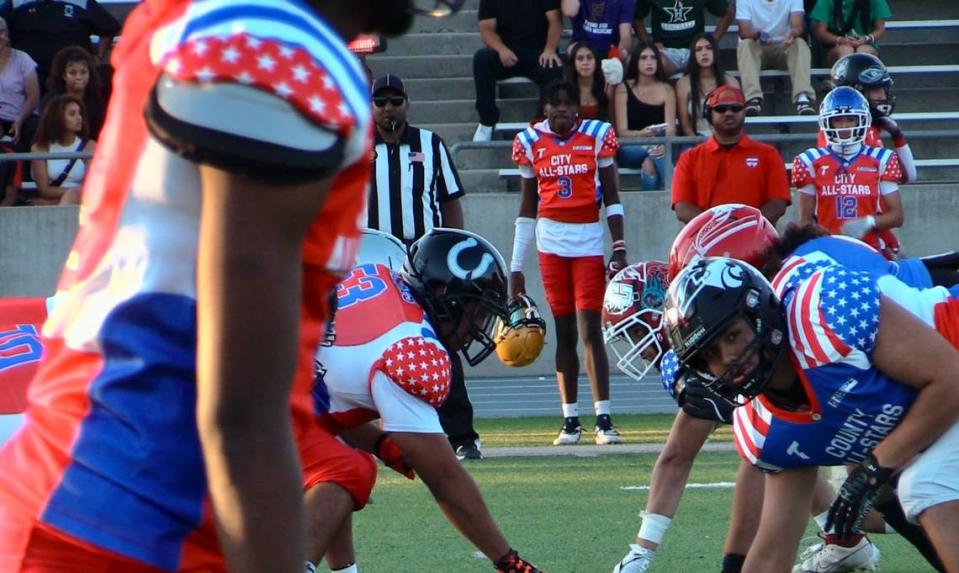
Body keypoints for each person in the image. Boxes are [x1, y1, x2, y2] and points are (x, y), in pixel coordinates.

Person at [0, 1, 459, 571]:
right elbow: (238, 403)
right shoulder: (282, 56)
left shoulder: (201, 20)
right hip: (135, 521)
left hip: (96, 495)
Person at [663, 250, 959, 573]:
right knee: (904, 484)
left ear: (759, 310)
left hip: (950, 359)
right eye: (711, 353)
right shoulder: (764, 426)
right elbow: (773, 550)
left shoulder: (823, 314)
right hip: (939, 406)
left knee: (923, 483)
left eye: (732, 335)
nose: (729, 357)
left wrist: (875, 467)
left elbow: (950, 380)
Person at [302, 228, 544, 573]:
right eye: (476, 311)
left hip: (253, 383)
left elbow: (331, 402)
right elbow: (445, 480)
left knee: (341, 462)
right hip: (256, 403)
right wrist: (509, 561)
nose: (478, 325)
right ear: (442, 292)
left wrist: (382, 445)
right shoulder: (412, 347)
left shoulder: (380, 277)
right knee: (347, 469)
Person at [366, 73, 483, 461]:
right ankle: (373, 437)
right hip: (372, 262)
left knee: (442, 341)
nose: (388, 108)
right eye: (381, 102)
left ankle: (461, 434)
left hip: (423, 262)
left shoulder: (430, 144)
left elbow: (450, 201)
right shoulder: (354, 147)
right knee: (368, 346)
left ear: (407, 103)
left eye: (395, 101)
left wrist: (452, 252)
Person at [509, 79, 626, 445]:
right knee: (564, 333)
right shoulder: (529, 142)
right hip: (550, 244)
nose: (561, 109)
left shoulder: (595, 135)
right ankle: (570, 419)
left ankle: (603, 418)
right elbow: (527, 210)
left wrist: (619, 245)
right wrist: (515, 267)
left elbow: (612, 197)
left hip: (589, 240)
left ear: (579, 107)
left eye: (567, 103)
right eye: (553, 104)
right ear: (544, 109)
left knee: (592, 331)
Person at [792, 86, 903, 259]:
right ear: (827, 122)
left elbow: (897, 217)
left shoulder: (881, 158)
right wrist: (819, 234)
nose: (844, 126)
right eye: (838, 120)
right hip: (827, 253)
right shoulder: (810, 161)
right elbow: (805, 221)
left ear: (862, 120)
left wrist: (868, 222)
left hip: (870, 251)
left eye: (851, 119)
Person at [670, 85, 790, 225]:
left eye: (735, 108)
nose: (728, 113)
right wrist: (721, 229)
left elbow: (778, 204)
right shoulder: (689, 158)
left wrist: (743, 227)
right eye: (720, 109)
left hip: (758, 241)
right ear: (709, 114)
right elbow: (682, 208)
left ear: (744, 112)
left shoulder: (768, 154)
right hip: (705, 244)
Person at [472, 0, 564, 142]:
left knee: (553, 66)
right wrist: (501, 49)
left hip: (539, 53)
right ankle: (487, 121)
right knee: (482, 59)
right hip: (507, 53)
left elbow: (556, 22)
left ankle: (542, 125)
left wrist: (550, 49)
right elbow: (486, 29)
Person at [0, 0, 119, 93]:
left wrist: (98, 56)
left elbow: (109, 29)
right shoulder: (16, 3)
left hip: (70, 75)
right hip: (27, 76)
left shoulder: (82, 2)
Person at [612, 42, 676, 190]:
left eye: (653, 58)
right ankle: (677, 194)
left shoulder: (667, 89)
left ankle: (654, 208)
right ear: (636, 61)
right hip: (629, 148)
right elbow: (621, 131)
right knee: (655, 151)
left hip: (659, 145)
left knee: (650, 164)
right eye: (644, 58)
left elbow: (670, 130)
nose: (649, 62)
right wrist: (641, 134)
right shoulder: (623, 88)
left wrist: (661, 142)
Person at [735, 0, 816, 116]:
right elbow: (744, 32)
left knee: (800, 43)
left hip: (784, 47)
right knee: (745, 44)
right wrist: (757, 35)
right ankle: (752, 99)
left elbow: (798, 26)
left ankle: (802, 98)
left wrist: (793, 33)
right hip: (757, 47)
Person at [633, 0, 733, 77]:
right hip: (665, 52)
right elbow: (636, 17)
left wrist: (712, 42)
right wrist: (649, 45)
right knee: (653, 64)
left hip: (694, 50)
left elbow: (728, 12)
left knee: (703, 62)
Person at [30, 94, 95, 205]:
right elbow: (44, 190)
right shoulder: (40, 148)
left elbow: (90, 187)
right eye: (72, 114)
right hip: (53, 201)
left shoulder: (90, 146)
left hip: (81, 203)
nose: (79, 118)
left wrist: (72, 195)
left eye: (79, 113)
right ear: (58, 118)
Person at [675, 33, 739, 137]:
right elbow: (685, 125)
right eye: (699, 49)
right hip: (694, 139)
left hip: (725, 138)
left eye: (709, 48)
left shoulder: (730, 82)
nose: (704, 53)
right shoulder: (683, 84)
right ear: (693, 54)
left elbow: (737, 119)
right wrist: (698, 145)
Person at [42, 45, 106, 140]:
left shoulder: (96, 100)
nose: (79, 77)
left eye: (83, 72)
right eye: (73, 73)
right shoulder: (52, 100)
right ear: (64, 75)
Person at [810, 0, 892, 66]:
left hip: (866, 44)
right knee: (846, 51)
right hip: (835, 47)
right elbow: (821, 32)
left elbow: (880, 29)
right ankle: (844, 83)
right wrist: (841, 40)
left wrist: (866, 39)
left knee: (863, 52)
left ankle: (861, 83)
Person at [0, 16, 38, 146]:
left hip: (20, 117)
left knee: (34, 126)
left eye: (1, 32)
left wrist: (20, 120)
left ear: (7, 34)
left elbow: (33, 97)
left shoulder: (22, 59)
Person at [562, 0, 635, 59]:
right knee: (571, 50)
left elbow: (626, 36)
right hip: (583, 47)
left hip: (610, 49)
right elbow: (569, 11)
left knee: (626, 56)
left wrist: (617, 57)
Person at [566, 41, 614, 122]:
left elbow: (611, 123)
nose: (585, 62)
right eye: (580, 58)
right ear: (573, 63)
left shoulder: (606, 87)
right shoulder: (566, 90)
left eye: (589, 58)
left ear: (596, 61)